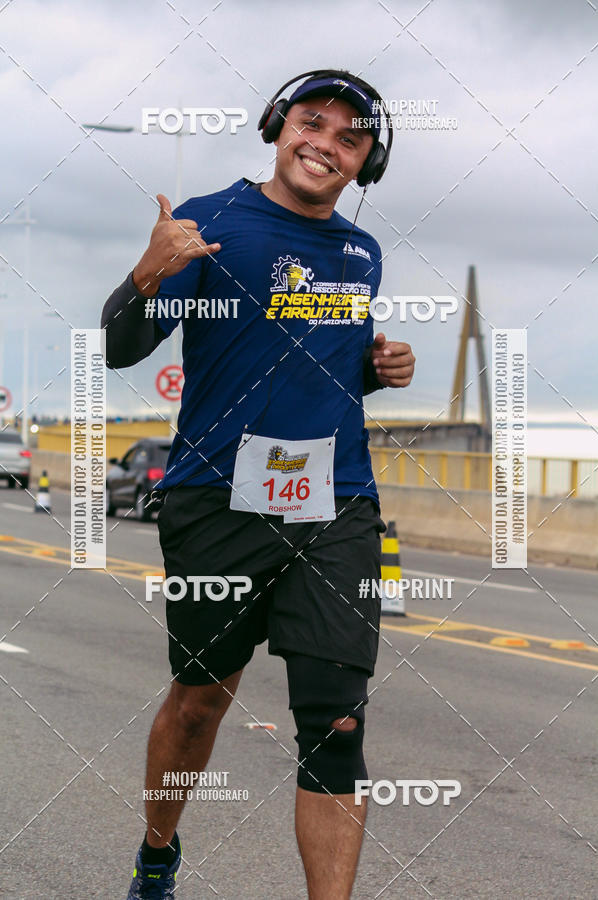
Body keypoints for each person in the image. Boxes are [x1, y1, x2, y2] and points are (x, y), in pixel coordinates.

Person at [101, 69, 415, 900]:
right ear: (279, 127)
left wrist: (379, 369)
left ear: (365, 165)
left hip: (337, 499)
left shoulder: (361, 252)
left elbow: (315, 363)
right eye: (313, 124)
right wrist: (145, 274)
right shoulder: (208, 224)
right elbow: (119, 350)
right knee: (201, 701)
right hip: (218, 496)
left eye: (351, 139)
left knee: (337, 722)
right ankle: (158, 854)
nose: (327, 145)